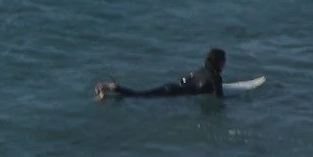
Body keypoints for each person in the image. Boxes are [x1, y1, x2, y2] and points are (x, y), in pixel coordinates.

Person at [95, 49, 225, 101]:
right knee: (139, 97)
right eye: (224, 60)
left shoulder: (200, 70)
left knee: (141, 95)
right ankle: (114, 87)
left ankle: (110, 91)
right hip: (173, 93)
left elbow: (184, 80)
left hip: (172, 86)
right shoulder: (216, 77)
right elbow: (219, 98)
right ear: (219, 62)